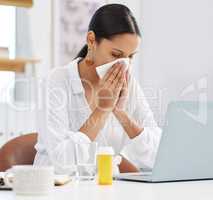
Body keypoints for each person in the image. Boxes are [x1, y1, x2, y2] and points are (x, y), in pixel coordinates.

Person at [33, 4, 162, 173]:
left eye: (130, 57)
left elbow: (157, 156)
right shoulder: (56, 82)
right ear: (91, 41)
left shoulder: (129, 84)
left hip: (105, 188)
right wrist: (102, 110)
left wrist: (120, 113)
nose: (124, 64)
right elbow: (61, 163)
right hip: (56, 190)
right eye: (116, 55)